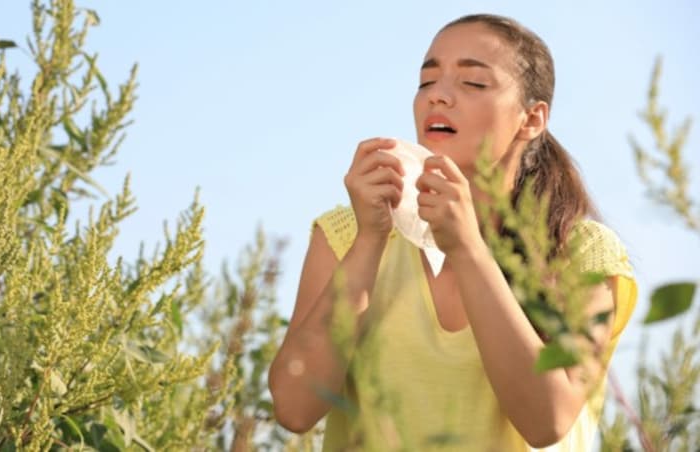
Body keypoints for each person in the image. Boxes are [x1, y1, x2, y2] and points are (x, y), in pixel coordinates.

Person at [268, 13, 637, 451]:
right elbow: (294, 409)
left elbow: (547, 419)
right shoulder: (346, 232)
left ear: (532, 119)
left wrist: (467, 247)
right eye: (426, 82)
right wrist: (369, 240)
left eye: (473, 84)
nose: (437, 97)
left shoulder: (581, 252)